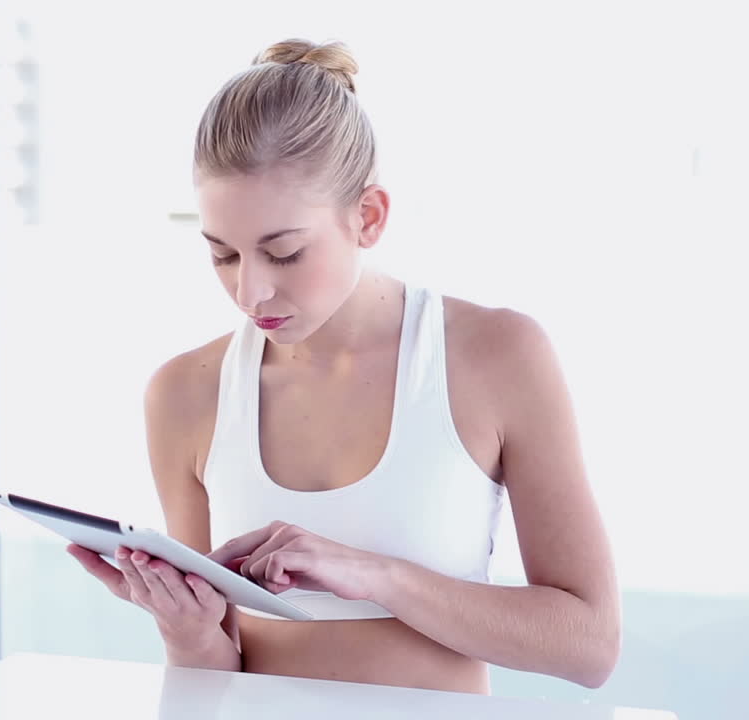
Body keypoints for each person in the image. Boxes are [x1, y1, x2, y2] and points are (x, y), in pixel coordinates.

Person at [67, 38, 620, 695]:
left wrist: (375, 575)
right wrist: (187, 632)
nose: (250, 293)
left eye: (285, 253)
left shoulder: (496, 356)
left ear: (369, 217)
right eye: (223, 255)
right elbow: (211, 685)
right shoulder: (184, 393)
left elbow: (590, 647)